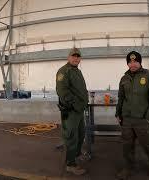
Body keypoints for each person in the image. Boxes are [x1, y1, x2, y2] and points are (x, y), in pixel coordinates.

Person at [115, 51, 149, 179]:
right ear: (127, 63)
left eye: (135, 61)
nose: (133, 64)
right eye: (130, 62)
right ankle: (129, 167)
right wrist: (118, 113)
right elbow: (121, 97)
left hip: (143, 119)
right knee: (127, 146)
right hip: (127, 119)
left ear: (140, 62)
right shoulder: (124, 78)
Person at [56, 47, 89, 175]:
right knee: (71, 137)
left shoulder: (77, 71)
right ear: (68, 57)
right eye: (73, 56)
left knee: (81, 134)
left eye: (78, 56)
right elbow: (62, 92)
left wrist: (83, 104)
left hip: (79, 110)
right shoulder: (63, 71)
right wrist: (76, 104)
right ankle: (70, 164)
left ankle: (77, 154)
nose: (76, 58)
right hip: (71, 111)